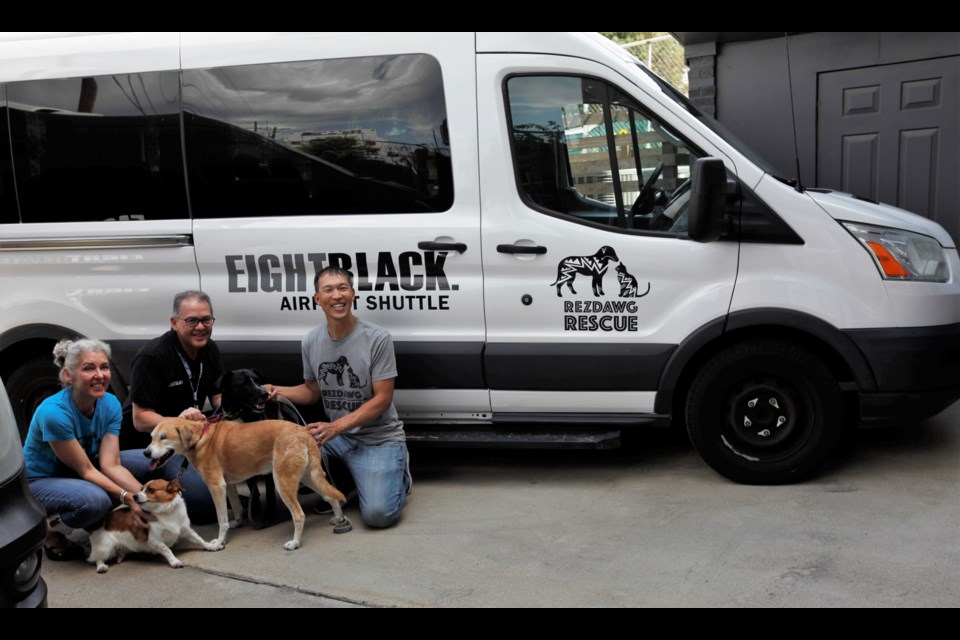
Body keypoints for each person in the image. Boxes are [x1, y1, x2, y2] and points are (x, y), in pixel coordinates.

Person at [267, 267, 411, 528]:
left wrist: (336, 426)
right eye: (328, 290)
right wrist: (275, 390)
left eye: (343, 288)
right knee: (288, 453)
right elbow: (312, 391)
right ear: (317, 299)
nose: (337, 295)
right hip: (338, 440)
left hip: (378, 440)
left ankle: (398, 476)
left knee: (378, 516)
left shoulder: (377, 338)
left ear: (353, 294)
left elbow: (382, 400)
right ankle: (350, 481)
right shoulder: (311, 340)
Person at [24, 339, 154, 560]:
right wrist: (128, 497)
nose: (99, 375)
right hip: (41, 480)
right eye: (89, 368)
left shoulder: (110, 403)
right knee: (95, 501)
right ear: (68, 375)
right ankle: (49, 528)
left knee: (147, 463)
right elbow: (86, 471)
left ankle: (107, 520)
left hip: (86, 468)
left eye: (104, 367)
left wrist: (147, 501)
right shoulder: (53, 412)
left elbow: (110, 465)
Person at [119, 290, 220, 523]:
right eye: (191, 320)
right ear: (174, 323)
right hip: (147, 446)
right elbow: (140, 419)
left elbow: (217, 397)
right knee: (204, 504)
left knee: (221, 490)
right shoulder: (152, 356)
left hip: (186, 441)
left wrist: (246, 402)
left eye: (206, 319)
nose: (200, 327)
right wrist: (179, 422)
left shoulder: (210, 349)